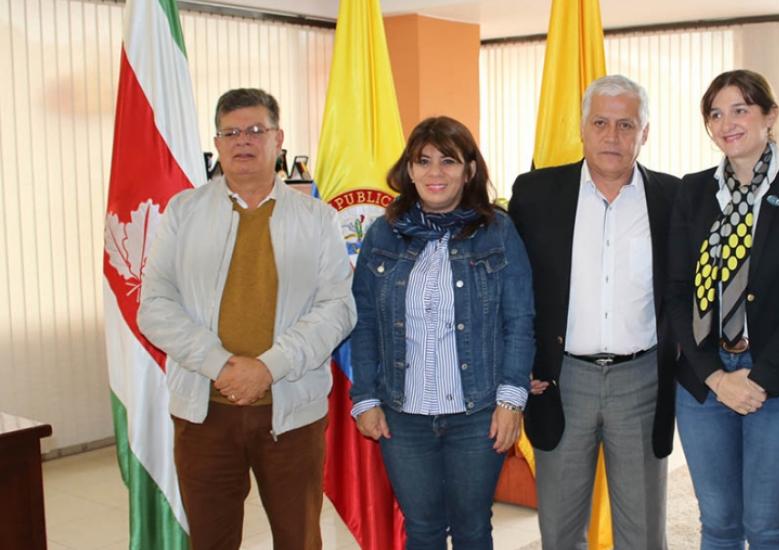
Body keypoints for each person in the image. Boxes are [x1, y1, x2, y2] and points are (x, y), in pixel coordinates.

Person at [137, 88, 356, 550]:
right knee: (211, 540)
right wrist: (219, 364)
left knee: (299, 539)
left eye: (256, 130)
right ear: (217, 143)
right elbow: (154, 305)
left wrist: (268, 368)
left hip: (291, 411)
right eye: (231, 132)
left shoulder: (317, 218)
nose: (243, 141)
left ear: (278, 138)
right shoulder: (184, 212)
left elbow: (338, 308)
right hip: (204, 411)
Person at [509, 74, 679, 550]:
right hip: (562, 379)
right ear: (582, 128)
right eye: (601, 122)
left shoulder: (673, 198)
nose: (612, 136)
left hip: (642, 381)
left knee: (643, 534)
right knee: (560, 533)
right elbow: (513, 289)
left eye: (626, 125)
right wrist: (521, 362)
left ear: (645, 133)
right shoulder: (535, 193)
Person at [348, 116, 534, 550]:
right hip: (403, 414)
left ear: (469, 170)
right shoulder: (383, 234)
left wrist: (511, 401)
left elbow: (520, 320)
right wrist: (366, 398)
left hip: (478, 412)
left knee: (472, 528)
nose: (435, 172)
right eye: (424, 161)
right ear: (409, 171)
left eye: (448, 161)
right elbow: (365, 321)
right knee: (423, 529)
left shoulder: (498, 231)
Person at [666, 70, 779, 549]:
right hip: (704, 378)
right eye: (716, 114)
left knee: (767, 526)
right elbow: (677, 290)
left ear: (770, 115)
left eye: (740, 109)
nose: (727, 123)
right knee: (718, 522)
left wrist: (758, 378)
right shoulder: (693, 190)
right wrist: (716, 377)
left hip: (776, 380)